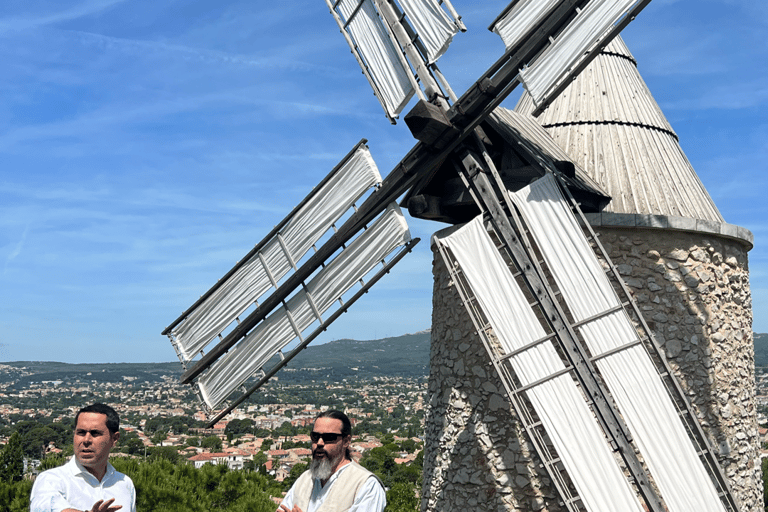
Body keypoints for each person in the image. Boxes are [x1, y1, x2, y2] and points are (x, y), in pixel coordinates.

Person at [30, 403, 136, 512]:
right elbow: (48, 507)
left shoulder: (125, 484)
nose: (86, 440)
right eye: (81, 432)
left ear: (114, 439)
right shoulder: (51, 480)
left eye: (95, 433)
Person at [278, 410, 386, 512]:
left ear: (346, 441)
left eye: (329, 437)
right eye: (315, 436)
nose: (319, 443)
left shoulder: (366, 485)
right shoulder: (304, 479)